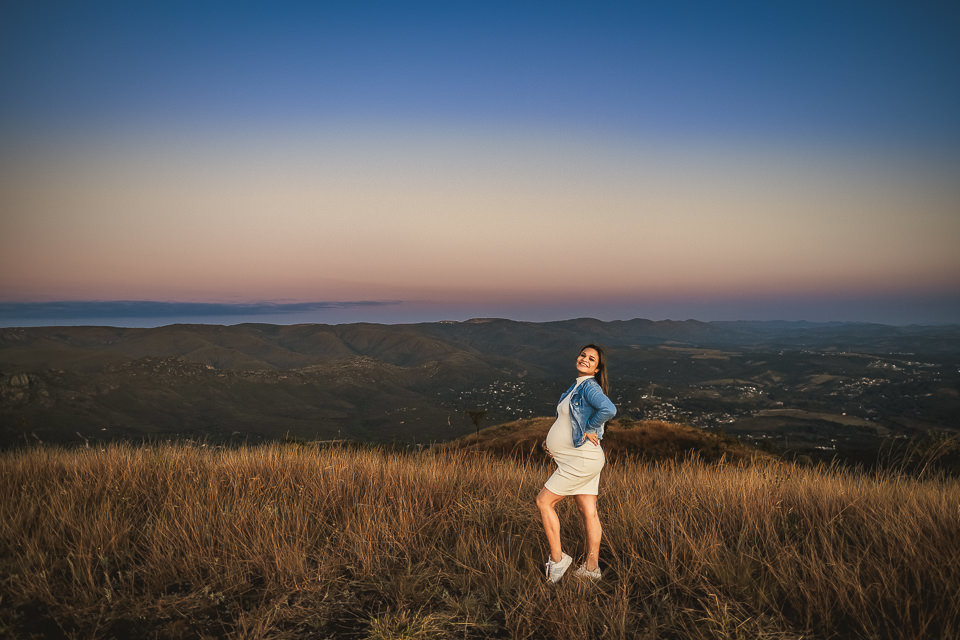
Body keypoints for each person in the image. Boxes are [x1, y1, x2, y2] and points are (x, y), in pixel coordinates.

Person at [536, 343, 617, 583]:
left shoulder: (590, 387)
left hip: (581, 460)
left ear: (596, 368)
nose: (585, 359)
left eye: (591, 359)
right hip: (580, 459)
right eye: (583, 355)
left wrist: (591, 428)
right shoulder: (577, 385)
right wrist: (549, 444)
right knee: (588, 512)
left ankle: (558, 560)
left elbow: (608, 409)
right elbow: (566, 423)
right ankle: (591, 569)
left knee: (543, 501)